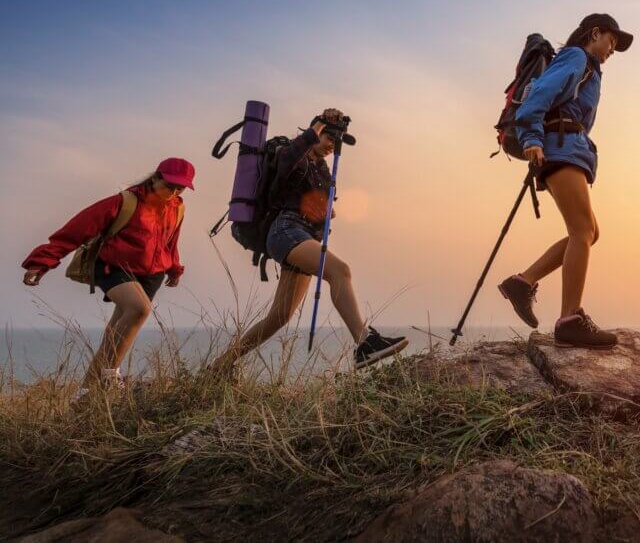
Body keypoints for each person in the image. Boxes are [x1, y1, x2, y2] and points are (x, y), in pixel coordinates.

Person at [210, 108, 407, 375]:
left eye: (336, 144)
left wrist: (325, 211)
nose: (332, 147)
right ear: (316, 132)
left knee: (278, 318)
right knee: (340, 271)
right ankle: (364, 342)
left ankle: (220, 365)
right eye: (329, 139)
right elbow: (287, 162)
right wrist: (316, 127)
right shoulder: (293, 153)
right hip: (285, 230)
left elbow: (315, 205)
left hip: (305, 236)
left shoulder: (322, 171)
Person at [498, 14, 633, 348]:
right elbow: (538, 94)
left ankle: (523, 282)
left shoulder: (587, 66)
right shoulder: (576, 57)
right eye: (612, 40)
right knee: (583, 231)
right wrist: (531, 137)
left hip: (567, 148)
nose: (613, 49)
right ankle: (570, 318)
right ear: (595, 33)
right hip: (560, 148)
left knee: (589, 232)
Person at [21, 158, 194, 400]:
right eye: (169, 185)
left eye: (181, 188)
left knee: (116, 333)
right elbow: (75, 231)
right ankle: (111, 375)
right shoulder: (125, 202)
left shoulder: (178, 208)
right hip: (113, 266)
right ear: (155, 178)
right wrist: (42, 263)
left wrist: (174, 268)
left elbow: (170, 242)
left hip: (152, 274)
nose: (174, 192)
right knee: (139, 309)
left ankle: (84, 395)